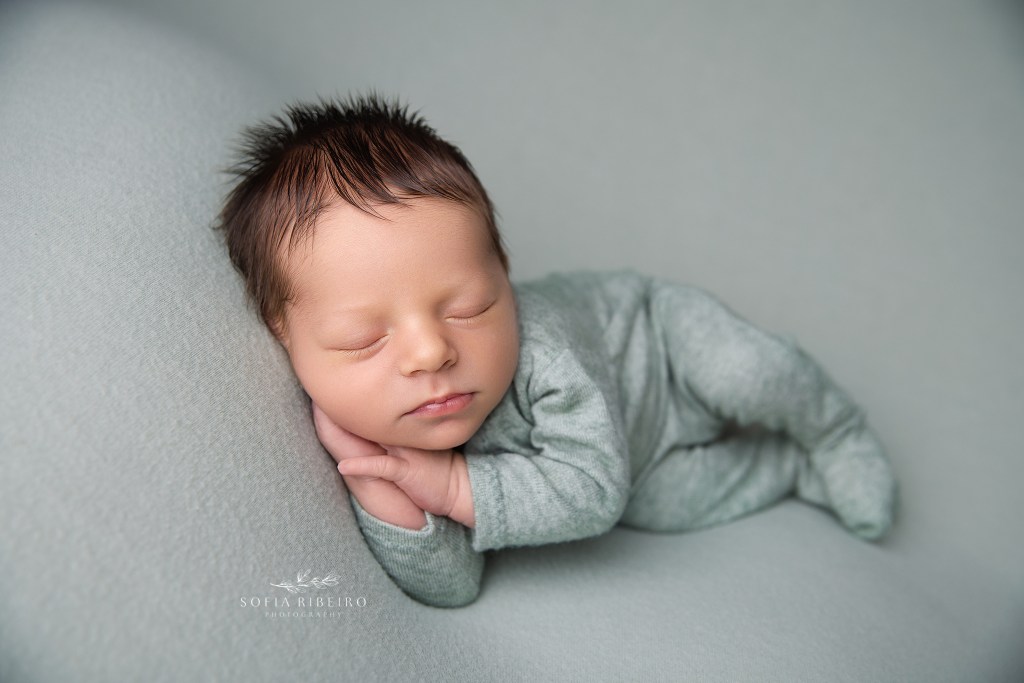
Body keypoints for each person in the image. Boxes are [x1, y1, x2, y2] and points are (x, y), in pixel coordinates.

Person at [216, 94, 898, 607]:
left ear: (504, 272)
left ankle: (831, 426)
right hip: (631, 459)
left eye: (469, 305)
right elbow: (453, 586)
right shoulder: (383, 419)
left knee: (746, 373)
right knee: (663, 506)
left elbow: (592, 492)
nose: (431, 351)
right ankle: (787, 468)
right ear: (288, 337)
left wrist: (454, 486)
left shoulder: (543, 350)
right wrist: (374, 476)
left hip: (659, 349)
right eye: (365, 339)